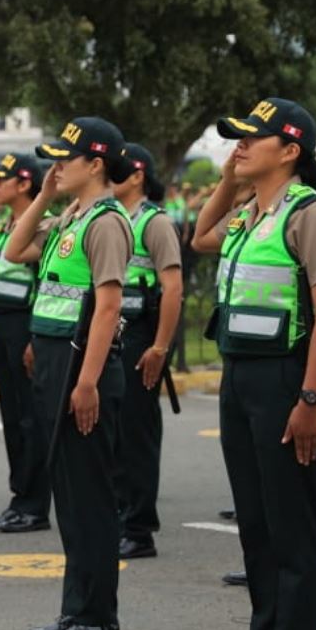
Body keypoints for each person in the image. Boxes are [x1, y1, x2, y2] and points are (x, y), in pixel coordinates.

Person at [190, 97, 316, 630]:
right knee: (256, 526)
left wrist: (311, 397)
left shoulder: (310, 214)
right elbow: (200, 235)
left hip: (288, 380)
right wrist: (229, 179)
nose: (239, 147)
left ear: (291, 151)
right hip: (242, 379)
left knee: (292, 530)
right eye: (236, 140)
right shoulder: (251, 215)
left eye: (252, 140)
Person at [2, 119, 133, 630]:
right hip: (57, 360)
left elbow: (108, 305)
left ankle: (98, 616)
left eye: (65, 159)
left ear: (96, 163)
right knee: (70, 499)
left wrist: (88, 382)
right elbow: (14, 251)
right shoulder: (70, 217)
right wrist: (46, 197)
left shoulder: (105, 221)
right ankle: (75, 608)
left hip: (85, 367)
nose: (55, 167)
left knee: (91, 499)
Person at [111, 143, 184, 559]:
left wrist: (161, 347)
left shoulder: (154, 223)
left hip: (141, 335)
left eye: (119, 170)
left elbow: (173, 287)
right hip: (114, 332)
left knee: (136, 433)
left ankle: (138, 528)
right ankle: (119, 514)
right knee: (114, 432)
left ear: (138, 175)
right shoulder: (111, 217)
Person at [0, 153, 50, 534]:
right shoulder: (5, 225)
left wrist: (35, 336)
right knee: (11, 416)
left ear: (23, 184)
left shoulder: (43, 226)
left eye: (1, 181)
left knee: (30, 417)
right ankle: (19, 497)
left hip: (24, 324)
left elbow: (47, 285)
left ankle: (34, 503)